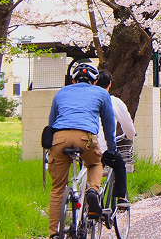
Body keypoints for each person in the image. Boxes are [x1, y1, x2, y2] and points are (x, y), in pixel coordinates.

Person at [47, 61, 117, 238]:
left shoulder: (61, 92)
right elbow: (109, 125)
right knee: (94, 164)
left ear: (73, 80)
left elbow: (51, 122)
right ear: (94, 81)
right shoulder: (101, 93)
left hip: (59, 138)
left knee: (57, 188)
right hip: (87, 137)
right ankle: (92, 189)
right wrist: (112, 149)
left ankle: (54, 233)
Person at [95, 69, 136, 209]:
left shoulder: (88, 101)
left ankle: (93, 191)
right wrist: (131, 136)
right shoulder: (113, 101)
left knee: (90, 166)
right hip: (104, 146)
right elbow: (127, 125)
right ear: (110, 84)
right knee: (119, 165)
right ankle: (121, 198)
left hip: (85, 143)